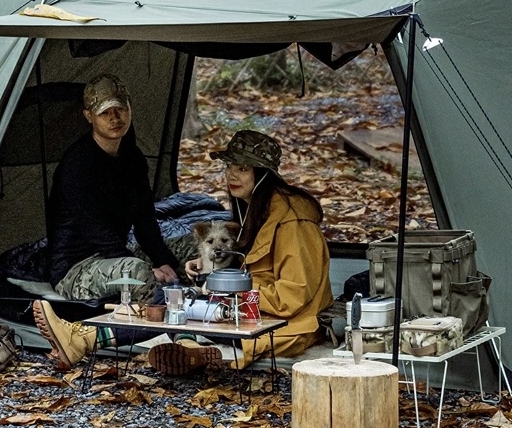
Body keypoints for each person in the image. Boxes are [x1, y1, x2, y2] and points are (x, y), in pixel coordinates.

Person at [33, 129, 333, 374]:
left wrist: (224, 291)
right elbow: (254, 267)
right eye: (229, 166)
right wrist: (211, 272)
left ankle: (91, 339)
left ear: (264, 174)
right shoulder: (259, 208)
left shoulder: (294, 223)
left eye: (243, 168)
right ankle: (190, 348)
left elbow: (292, 297)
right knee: (176, 299)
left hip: (284, 325)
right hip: (252, 311)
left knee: (179, 304)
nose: (232, 175)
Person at [45, 73, 181, 304]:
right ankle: (149, 332)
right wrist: (145, 268)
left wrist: (165, 262)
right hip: (76, 267)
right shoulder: (78, 164)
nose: (115, 119)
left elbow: (145, 221)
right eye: (105, 113)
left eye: (120, 109)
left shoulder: (133, 158)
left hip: (116, 254)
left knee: (197, 247)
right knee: (136, 274)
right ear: (89, 116)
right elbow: (95, 230)